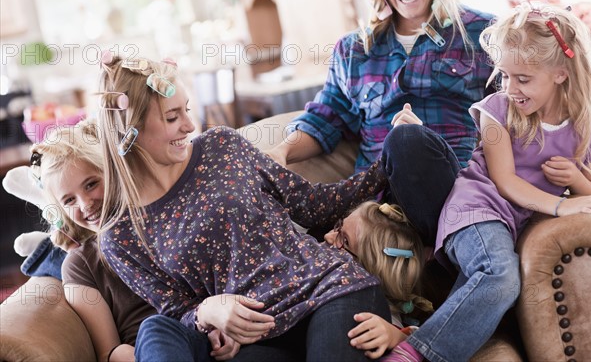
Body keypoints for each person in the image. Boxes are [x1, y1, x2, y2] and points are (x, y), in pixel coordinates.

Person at [95, 53, 393, 362]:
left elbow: (313, 205)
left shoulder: (222, 145)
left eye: (186, 110)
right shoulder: (119, 236)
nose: (189, 125)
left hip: (328, 290)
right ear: (130, 129)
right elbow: (176, 311)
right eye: (172, 117)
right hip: (255, 337)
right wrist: (206, 313)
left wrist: (388, 163)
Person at [392, 3, 591, 362]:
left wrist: (578, 181)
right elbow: (505, 182)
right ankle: (413, 354)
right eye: (504, 75)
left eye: (522, 78)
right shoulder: (497, 110)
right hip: (477, 210)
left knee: (487, 289)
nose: (510, 88)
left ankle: (416, 330)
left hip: (512, 226)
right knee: (500, 275)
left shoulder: (587, 129)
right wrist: (561, 204)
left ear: (561, 74)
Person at [266, 0, 495, 247]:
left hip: (449, 193)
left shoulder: (482, 34)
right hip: (373, 199)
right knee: (301, 245)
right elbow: (325, 118)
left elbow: (514, 113)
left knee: (407, 140)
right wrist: (280, 152)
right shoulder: (354, 50)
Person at [16, 122, 236, 362]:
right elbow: (109, 351)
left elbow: (224, 280)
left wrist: (226, 323)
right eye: (69, 200)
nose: (85, 204)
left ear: (114, 173)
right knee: (155, 329)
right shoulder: (81, 264)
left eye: (91, 184)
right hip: (151, 350)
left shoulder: (165, 219)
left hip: (211, 335)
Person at [323, 201, 434, 360]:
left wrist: (396, 336)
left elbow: (413, 346)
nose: (328, 236)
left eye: (345, 240)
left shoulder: (380, 315)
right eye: (338, 226)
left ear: (371, 273)